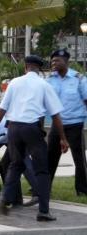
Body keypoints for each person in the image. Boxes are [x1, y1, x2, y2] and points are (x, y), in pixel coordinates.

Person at [0, 55, 69, 222]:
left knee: (15, 164)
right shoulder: (44, 85)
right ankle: (44, 211)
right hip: (31, 128)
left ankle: (4, 198)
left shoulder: (14, 82)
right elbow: (55, 115)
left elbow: (2, 109)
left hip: (13, 128)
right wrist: (63, 138)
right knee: (42, 170)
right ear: (38, 69)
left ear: (25, 67)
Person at [47, 49, 87, 196]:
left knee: (79, 158)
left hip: (75, 124)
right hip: (56, 125)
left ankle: (82, 189)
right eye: (52, 61)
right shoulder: (50, 80)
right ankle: (45, 187)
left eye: (57, 60)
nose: (54, 63)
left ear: (66, 62)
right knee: (50, 156)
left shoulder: (79, 79)